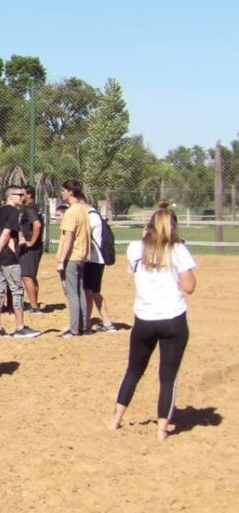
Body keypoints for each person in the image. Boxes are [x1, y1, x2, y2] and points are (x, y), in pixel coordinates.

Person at [110, 204, 196, 442]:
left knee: (133, 370)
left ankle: (116, 420)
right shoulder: (178, 250)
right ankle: (161, 430)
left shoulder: (134, 248)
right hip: (173, 319)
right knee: (168, 377)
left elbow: (136, 268)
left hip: (144, 319)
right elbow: (189, 287)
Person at [0, 187, 39, 338]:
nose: (22, 197)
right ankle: (20, 327)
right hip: (8, 257)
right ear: (10, 196)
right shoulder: (14, 212)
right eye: (19, 195)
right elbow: (6, 233)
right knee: (17, 290)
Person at [55, 180, 91, 338]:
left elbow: (69, 237)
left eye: (64, 190)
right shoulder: (84, 208)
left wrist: (61, 260)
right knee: (80, 290)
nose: (62, 193)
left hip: (72, 256)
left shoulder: (71, 212)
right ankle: (84, 325)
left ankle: (74, 328)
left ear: (70, 192)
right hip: (82, 256)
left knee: (72, 293)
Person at [85, 204, 115, 332]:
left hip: (92, 259)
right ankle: (107, 322)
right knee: (95, 292)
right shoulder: (95, 215)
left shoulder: (91, 217)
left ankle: (85, 323)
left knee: (87, 292)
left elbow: (89, 241)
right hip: (98, 259)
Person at [19, 185, 44, 313]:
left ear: (29, 195)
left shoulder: (29, 208)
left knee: (26, 275)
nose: (20, 196)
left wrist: (31, 241)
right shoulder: (35, 207)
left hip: (31, 248)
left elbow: (37, 224)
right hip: (36, 247)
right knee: (31, 275)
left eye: (22, 194)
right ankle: (34, 303)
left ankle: (34, 306)